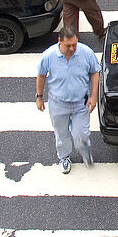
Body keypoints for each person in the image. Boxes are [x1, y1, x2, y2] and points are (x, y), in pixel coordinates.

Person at [35, 26, 99, 174]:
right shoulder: (49, 56)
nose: (72, 48)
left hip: (80, 102)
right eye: (68, 45)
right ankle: (64, 157)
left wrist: (93, 96)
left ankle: (84, 151)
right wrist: (39, 97)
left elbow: (95, 72)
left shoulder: (86, 53)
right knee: (61, 133)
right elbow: (41, 75)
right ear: (60, 41)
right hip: (58, 103)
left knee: (81, 134)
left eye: (74, 44)